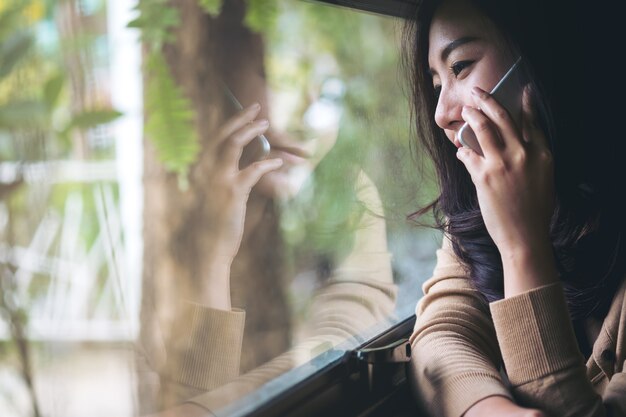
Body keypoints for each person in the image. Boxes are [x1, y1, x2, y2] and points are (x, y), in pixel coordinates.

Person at [136, 1, 397, 415]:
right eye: (274, 72)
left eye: (319, 78)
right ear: (218, 86)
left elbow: (349, 335)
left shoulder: (346, 192)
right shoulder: (181, 220)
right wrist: (214, 259)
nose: (311, 99)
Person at [404, 0, 626, 416]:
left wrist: (522, 246)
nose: (441, 114)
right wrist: (490, 409)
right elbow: (443, 330)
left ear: (547, 56)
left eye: (460, 67)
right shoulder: (491, 199)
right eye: (436, 85)